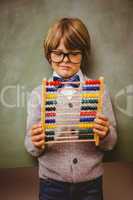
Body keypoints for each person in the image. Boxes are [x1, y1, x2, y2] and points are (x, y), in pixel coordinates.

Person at [24, 17, 117, 200]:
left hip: (91, 183)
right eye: (58, 53)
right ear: (49, 54)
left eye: (73, 53)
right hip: (51, 183)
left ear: (83, 54)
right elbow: (30, 145)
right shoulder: (38, 94)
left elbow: (111, 142)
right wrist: (35, 142)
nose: (65, 60)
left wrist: (106, 133)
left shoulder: (99, 92)